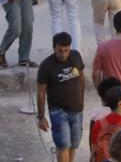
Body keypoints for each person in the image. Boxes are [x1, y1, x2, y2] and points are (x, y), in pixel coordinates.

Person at [37, 32, 86, 162]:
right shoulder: (46, 66)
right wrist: (41, 117)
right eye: (60, 50)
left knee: (74, 144)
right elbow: (41, 92)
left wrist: (81, 98)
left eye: (66, 50)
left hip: (77, 110)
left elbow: (81, 77)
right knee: (63, 145)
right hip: (58, 112)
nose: (63, 54)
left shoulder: (76, 56)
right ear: (54, 48)